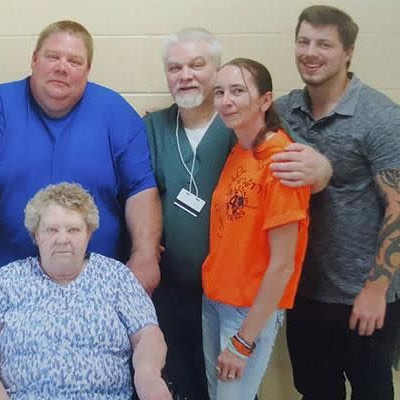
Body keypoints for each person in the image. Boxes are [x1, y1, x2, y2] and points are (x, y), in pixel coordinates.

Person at [143, 28, 330, 399]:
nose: (186, 75)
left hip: (245, 304)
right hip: (201, 295)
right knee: (207, 388)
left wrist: (322, 168)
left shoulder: (268, 149)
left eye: (197, 65)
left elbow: (284, 257)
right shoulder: (237, 149)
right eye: (175, 67)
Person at [0, 20, 162, 299]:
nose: (62, 67)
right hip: (9, 282)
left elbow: (141, 189)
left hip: (97, 284)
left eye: (74, 61)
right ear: (34, 60)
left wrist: (145, 254)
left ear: (87, 70)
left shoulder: (116, 113)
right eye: (52, 56)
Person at [275, 6, 400, 399]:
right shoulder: (283, 111)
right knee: (315, 391)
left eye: (324, 44)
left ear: (348, 52)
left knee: (371, 391)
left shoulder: (380, 117)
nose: (310, 52)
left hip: (363, 295)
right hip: (304, 292)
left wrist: (377, 289)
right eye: (303, 41)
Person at [0, 182, 170, 400]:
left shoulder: (116, 277)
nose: (62, 239)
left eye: (73, 229)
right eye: (51, 230)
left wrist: (148, 376)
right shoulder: (7, 280)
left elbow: (148, 335)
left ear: (89, 234)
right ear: (36, 235)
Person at [201, 58, 310, 400]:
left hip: (247, 313)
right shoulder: (239, 150)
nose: (226, 101)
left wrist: (244, 340)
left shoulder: (280, 161)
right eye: (219, 92)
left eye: (237, 91)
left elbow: (283, 264)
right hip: (214, 300)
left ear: (265, 100)